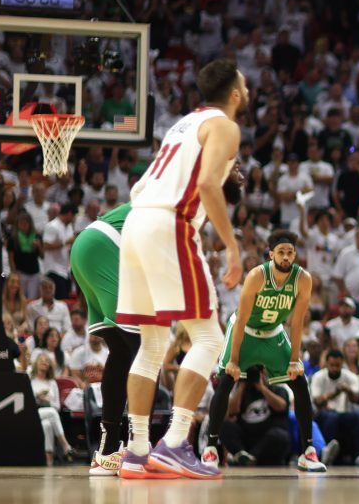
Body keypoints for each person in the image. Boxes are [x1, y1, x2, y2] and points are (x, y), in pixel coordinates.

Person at [115, 59, 247, 480]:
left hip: (136, 221)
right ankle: (174, 442)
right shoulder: (224, 125)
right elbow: (207, 184)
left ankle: (137, 450)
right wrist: (232, 248)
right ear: (235, 93)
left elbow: (144, 186)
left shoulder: (182, 125)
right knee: (210, 338)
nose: (246, 91)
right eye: (244, 86)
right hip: (169, 224)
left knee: (153, 344)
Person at [204, 230, 326, 473]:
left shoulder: (303, 279)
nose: (286, 257)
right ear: (271, 255)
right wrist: (234, 361)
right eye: (281, 252)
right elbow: (241, 320)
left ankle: (308, 452)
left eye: (290, 252)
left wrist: (295, 360)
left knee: (300, 382)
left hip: (273, 333)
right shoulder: (257, 276)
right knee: (226, 379)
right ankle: (211, 449)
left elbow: (297, 322)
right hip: (246, 331)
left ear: (295, 255)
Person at [68, 202, 141, 476]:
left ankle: (107, 453)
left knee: (122, 352)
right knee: (147, 350)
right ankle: (138, 449)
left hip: (86, 245)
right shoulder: (185, 196)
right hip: (109, 248)